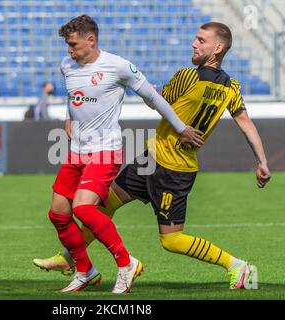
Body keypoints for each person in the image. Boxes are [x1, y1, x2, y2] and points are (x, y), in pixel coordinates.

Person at [34, 22, 272, 290]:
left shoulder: (186, 76)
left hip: (174, 170)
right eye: (195, 38)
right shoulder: (232, 87)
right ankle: (71, 258)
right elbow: (245, 121)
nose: (194, 44)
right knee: (101, 206)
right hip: (150, 159)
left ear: (217, 48)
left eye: (201, 40)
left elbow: (159, 101)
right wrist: (261, 161)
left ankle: (237, 265)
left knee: (171, 240)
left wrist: (154, 94)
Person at [44, 15, 204, 294]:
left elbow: (154, 98)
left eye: (73, 44)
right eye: (67, 46)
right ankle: (85, 271)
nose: (69, 51)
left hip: (105, 150)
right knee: (58, 214)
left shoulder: (118, 66)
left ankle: (126, 263)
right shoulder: (66, 65)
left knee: (83, 208)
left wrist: (180, 128)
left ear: (90, 40)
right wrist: (68, 117)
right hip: (76, 151)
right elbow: (74, 98)